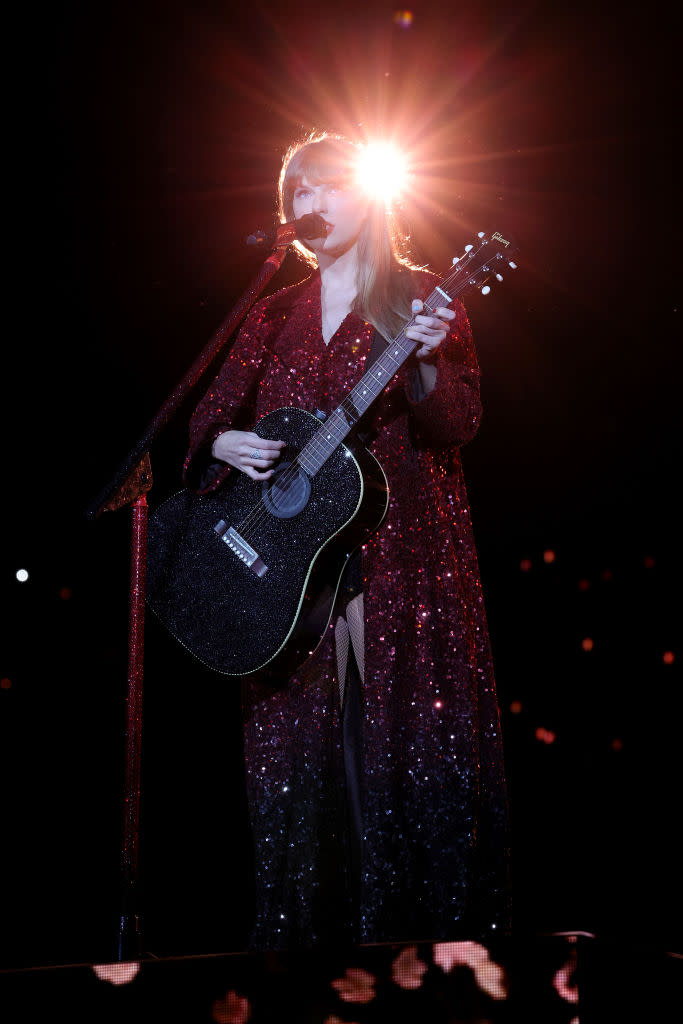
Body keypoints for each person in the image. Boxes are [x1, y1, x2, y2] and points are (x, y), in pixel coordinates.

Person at [181, 131, 510, 950]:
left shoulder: (424, 295)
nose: (310, 204)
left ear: (369, 198)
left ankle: (430, 958)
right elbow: (205, 416)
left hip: (402, 549)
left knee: (404, 745)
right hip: (292, 572)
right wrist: (222, 444)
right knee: (300, 756)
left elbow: (457, 421)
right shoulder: (270, 316)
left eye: (328, 187)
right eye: (298, 192)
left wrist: (431, 363)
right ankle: (302, 953)